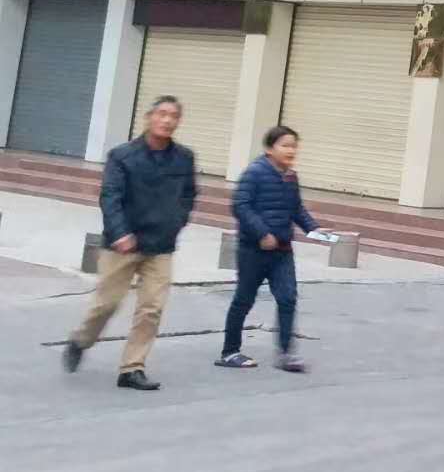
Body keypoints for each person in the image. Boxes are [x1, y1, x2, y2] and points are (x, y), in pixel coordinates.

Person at [63, 96, 196, 391]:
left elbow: (189, 194)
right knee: (106, 304)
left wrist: (178, 221)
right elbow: (110, 196)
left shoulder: (184, 158)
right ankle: (80, 340)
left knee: (152, 308)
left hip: (160, 246)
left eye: (173, 116)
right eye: (161, 114)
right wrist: (120, 232)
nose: (167, 120)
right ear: (149, 117)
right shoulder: (122, 155)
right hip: (123, 244)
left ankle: (132, 368)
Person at [218, 126, 319, 373]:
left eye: (294, 146)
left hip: (282, 251)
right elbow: (240, 205)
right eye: (285, 145)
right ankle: (230, 351)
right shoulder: (254, 173)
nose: (291, 150)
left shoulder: (291, 177)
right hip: (253, 250)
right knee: (244, 299)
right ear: (269, 148)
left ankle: (286, 353)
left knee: (288, 297)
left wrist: (314, 229)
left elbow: (296, 208)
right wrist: (262, 233)